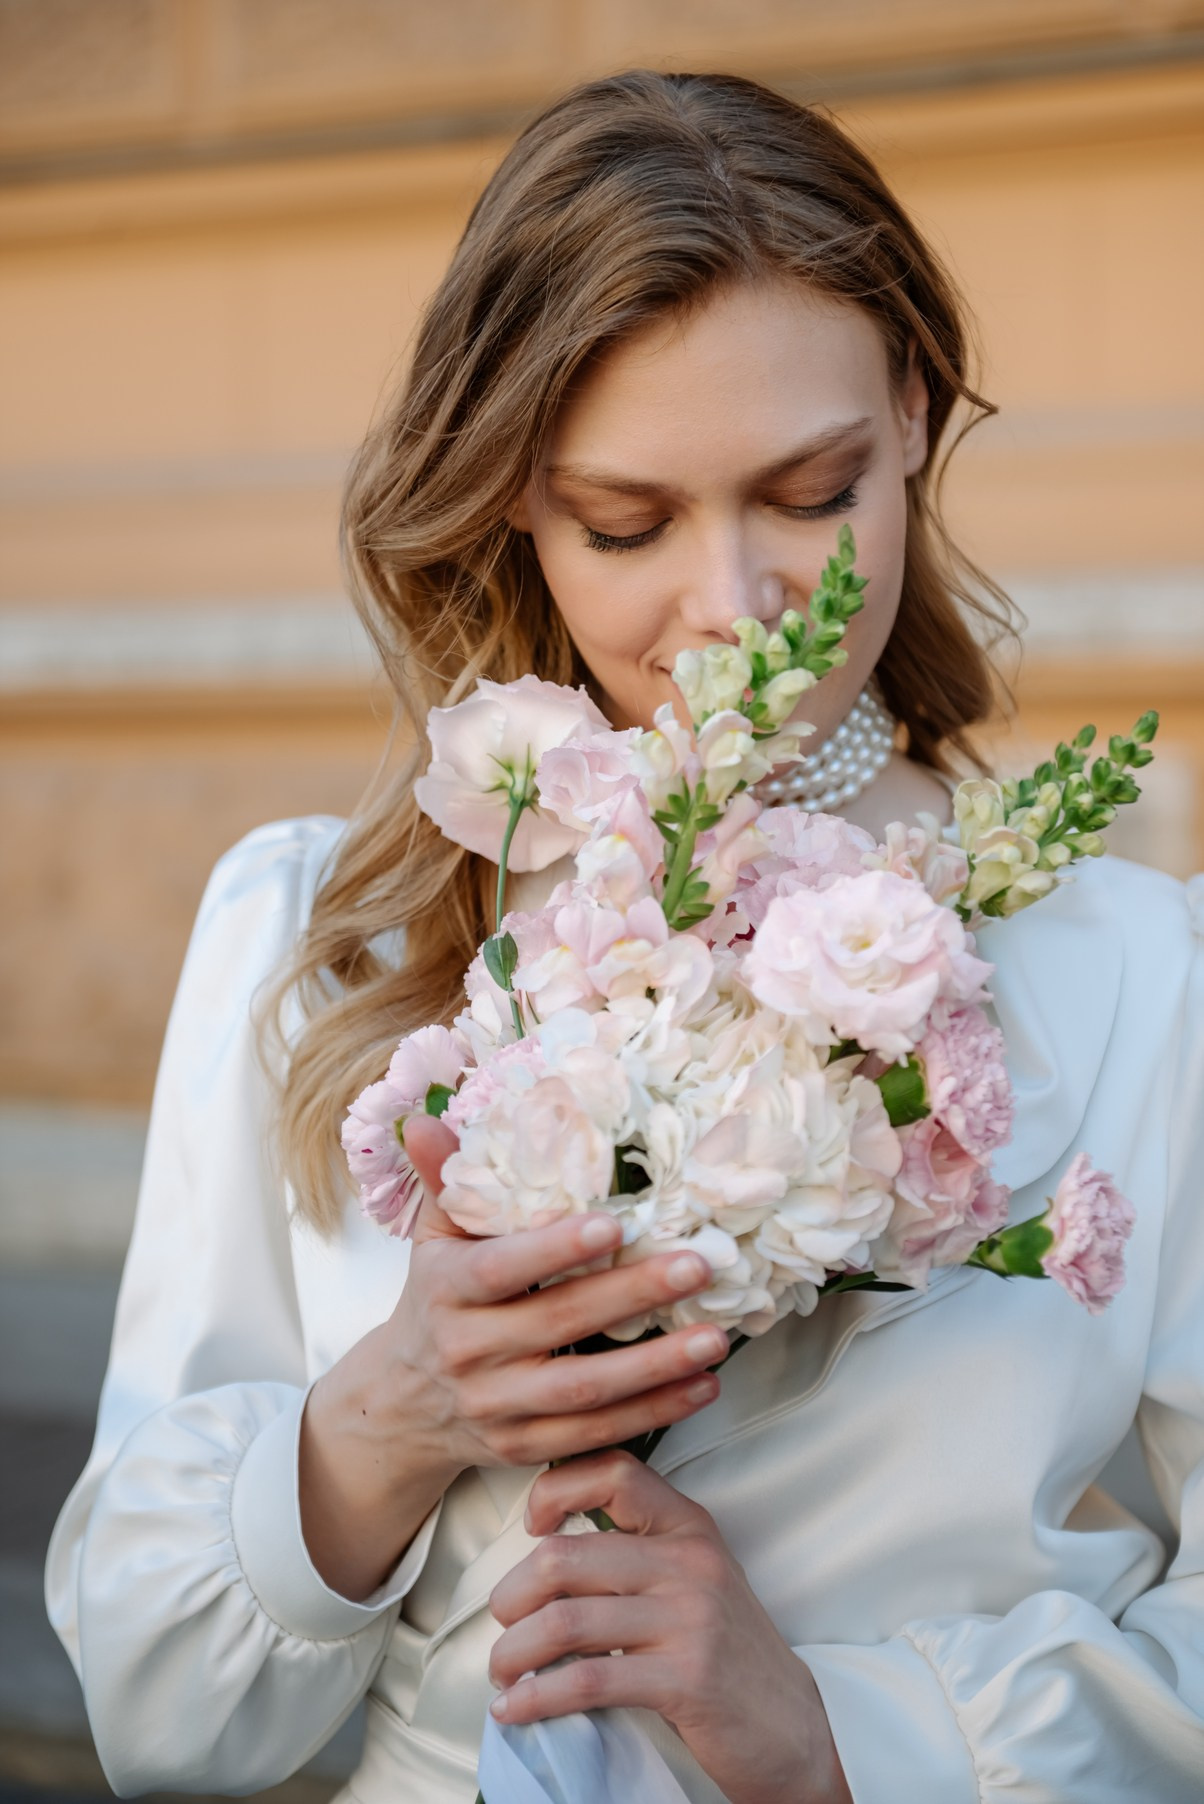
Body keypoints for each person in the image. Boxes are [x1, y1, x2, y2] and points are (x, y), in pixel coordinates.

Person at [46, 69, 1204, 1804]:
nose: (732, 616)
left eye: (811, 493)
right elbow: (159, 1722)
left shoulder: (1134, 973)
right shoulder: (316, 936)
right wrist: (388, 1422)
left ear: (911, 408)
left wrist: (842, 1738)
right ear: (513, 492)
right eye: (628, 523)